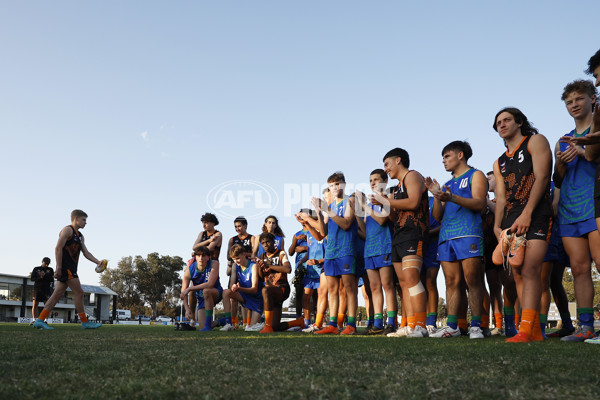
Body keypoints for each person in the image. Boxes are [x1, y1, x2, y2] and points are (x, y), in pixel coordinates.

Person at [492, 107, 553, 343]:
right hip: (510, 218)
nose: (502, 125)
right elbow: (502, 196)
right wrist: (497, 227)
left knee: (531, 270)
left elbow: (543, 177)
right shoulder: (498, 162)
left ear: (519, 122)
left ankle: (525, 329)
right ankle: (533, 330)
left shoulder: (535, 141)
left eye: (507, 120)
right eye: (498, 123)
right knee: (516, 272)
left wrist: (527, 213)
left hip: (536, 213)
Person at [426, 141, 487, 339]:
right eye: (443, 158)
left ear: (460, 155)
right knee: (451, 282)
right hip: (446, 236)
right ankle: (452, 326)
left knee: (473, 280)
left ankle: (476, 326)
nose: (443, 161)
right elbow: (437, 215)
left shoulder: (476, 175)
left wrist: (451, 198)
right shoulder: (447, 184)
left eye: (447, 156)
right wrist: (436, 195)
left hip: (468, 233)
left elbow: (479, 203)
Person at [553, 80, 600, 342]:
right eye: (569, 102)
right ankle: (585, 327)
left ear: (593, 99)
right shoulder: (562, 140)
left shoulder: (598, 130)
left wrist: (583, 151)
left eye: (579, 99)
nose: (574, 105)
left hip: (595, 205)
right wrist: (561, 162)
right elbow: (557, 179)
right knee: (579, 269)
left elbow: (593, 158)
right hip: (570, 210)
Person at [381, 148, 430, 338]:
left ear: (398, 160)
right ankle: (410, 325)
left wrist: (387, 201)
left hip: (414, 233)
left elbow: (414, 203)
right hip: (398, 235)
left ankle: (421, 325)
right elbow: (394, 216)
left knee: (412, 279)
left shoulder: (413, 175)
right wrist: (384, 204)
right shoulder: (394, 189)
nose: (385, 169)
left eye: (387, 164)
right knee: (403, 283)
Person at [32, 210, 104, 330]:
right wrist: (59, 267)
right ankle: (85, 322)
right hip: (66, 268)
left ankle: (39, 320)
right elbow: (58, 248)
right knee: (79, 292)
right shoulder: (67, 230)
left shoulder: (80, 236)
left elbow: (86, 253)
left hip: (71, 268)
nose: (85, 223)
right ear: (76, 219)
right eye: (83, 220)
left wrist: (98, 262)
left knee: (56, 295)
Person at [312, 172, 359, 335]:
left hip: (346, 249)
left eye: (337, 184)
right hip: (331, 251)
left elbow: (346, 224)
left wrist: (327, 210)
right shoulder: (329, 207)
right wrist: (319, 212)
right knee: (332, 288)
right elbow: (323, 232)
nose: (334, 188)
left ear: (344, 185)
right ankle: (332, 325)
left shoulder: (350, 201)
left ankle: (351, 325)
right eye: (331, 185)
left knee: (349, 288)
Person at [355, 169, 397, 335]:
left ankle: (392, 322)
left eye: (376, 179)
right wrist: (359, 210)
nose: (372, 183)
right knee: (373, 287)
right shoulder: (370, 204)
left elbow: (381, 220)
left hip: (384, 246)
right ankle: (378, 322)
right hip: (370, 249)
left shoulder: (387, 198)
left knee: (387, 285)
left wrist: (365, 205)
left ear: (385, 181)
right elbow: (365, 230)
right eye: (370, 180)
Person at [256, 232, 304, 333]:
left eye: (268, 242)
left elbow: (288, 269)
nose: (265, 245)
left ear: (274, 242)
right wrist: (260, 268)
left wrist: (269, 266)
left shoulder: (281, 253)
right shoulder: (262, 256)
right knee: (276, 327)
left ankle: (267, 326)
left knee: (265, 290)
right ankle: (298, 322)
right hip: (271, 292)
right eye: (263, 243)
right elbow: (261, 277)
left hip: (282, 288)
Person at [220, 245, 263, 331]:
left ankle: (263, 322)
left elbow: (254, 289)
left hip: (256, 299)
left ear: (244, 254)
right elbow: (231, 287)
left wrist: (239, 289)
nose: (236, 261)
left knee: (251, 329)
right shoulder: (235, 266)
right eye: (234, 259)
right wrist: (234, 287)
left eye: (238, 258)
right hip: (244, 296)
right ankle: (229, 323)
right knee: (226, 292)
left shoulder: (253, 266)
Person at [180, 246, 223, 331]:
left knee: (206, 291)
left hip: (215, 293)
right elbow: (183, 292)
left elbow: (210, 284)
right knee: (202, 327)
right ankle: (219, 322)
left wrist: (190, 289)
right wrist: (187, 309)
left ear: (208, 257)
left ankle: (208, 327)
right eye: (198, 256)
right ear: (195, 257)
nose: (201, 258)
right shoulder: (189, 270)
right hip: (202, 298)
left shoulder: (214, 264)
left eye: (203, 256)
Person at [225, 216, 254, 326]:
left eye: (239, 226)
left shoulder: (252, 238)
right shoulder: (232, 239)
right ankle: (233, 322)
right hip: (235, 268)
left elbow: (254, 253)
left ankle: (247, 322)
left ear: (245, 225)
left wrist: (242, 254)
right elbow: (228, 255)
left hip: (247, 268)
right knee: (233, 295)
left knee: (246, 296)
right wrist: (235, 257)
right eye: (235, 227)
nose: (237, 228)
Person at [421, 196, 441, 335]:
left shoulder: (434, 201)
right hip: (419, 245)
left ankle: (431, 322)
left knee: (430, 282)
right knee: (420, 284)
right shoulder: (415, 202)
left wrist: (427, 234)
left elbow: (442, 223)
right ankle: (420, 321)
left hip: (433, 245)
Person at [289, 216, 309, 319]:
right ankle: (298, 318)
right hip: (299, 267)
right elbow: (290, 252)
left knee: (313, 293)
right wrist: (295, 240)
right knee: (299, 293)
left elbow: (319, 246)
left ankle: (314, 320)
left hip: (312, 266)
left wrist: (304, 248)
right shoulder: (297, 234)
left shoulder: (314, 231)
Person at [30, 257, 54, 323]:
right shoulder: (36, 269)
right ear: (42, 261)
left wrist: (45, 275)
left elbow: (52, 279)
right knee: (35, 305)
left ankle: (46, 320)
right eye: (45, 263)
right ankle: (34, 320)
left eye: (48, 264)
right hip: (37, 289)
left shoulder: (50, 269)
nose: (47, 265)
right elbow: (32, 278)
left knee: (47, 305)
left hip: (46, 289)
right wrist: (40, 277)